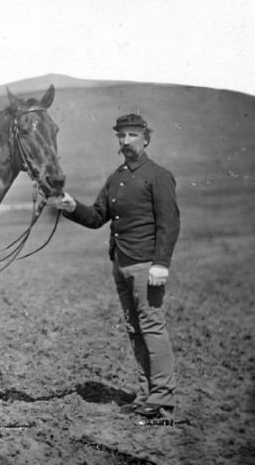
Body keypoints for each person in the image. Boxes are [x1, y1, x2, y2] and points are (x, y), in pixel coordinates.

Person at [56, 113, 180, 420]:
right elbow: (98, 217)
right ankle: (145, 394)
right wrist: (72, 207)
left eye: (132, 135)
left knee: (151, 326)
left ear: (146, 138)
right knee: (134, 329)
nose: (125, 141)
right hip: (120, 263)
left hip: (145, 265)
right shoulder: (116, 178)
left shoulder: (158, 175)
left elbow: (170, 224)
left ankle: (162, 397)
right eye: (121, 136)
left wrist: (161, 263)